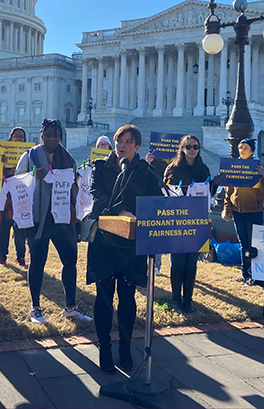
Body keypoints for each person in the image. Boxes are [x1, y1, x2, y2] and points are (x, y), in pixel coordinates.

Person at [86, 124, 163, 374]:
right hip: (106, 243)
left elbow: (156, 202)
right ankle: (105, 348)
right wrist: (119, 211)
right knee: (105, 298)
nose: (122, 145)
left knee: (127, 299)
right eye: (119, 140)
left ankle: (126, 347)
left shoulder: (146, 171)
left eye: (128, 141)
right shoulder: (101, 167)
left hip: (131, 245)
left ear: (137, 146)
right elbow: (97, 196)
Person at [16, 119, 91, 324]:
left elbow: (76, 183)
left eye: (55, 135)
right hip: (39, 218)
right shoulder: (30, 155)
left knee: (70, 261)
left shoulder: (66, 156)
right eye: (48, 135)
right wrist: (33, 175)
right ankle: (35, 308)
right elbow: (17, 181)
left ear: (60, 137)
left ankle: (71, 307)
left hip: (62, 217)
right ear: (41, 134)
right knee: (38, 261)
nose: (51, 139)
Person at [163, 135, 210, 313]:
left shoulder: (203, 169)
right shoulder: (173, 169)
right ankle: (176, 298)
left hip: (196, 221)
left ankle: (188, 299)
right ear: (182, 148)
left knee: (191, 261)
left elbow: (207, 194)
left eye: (195, 147)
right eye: (188, 146)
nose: (192, 150)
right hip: (176, 220)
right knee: (177, 261)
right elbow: (164, 191)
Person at [222, 138, 264, 285]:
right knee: (243, 243)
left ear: (252, 151)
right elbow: (229, 190)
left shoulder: (257, 166)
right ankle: (245, 274)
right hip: (238, 211)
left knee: (254, 244)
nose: (242, 150)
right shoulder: (234, 166)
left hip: (254, 211)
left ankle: (257, 275)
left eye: (246, 148)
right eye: (240, 147)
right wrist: (227, 208)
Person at [0, 127, 31, 267]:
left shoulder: (28, 155)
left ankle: (21, 256)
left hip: (21, 195)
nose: (18, 139)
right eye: (16, 136)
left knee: (20, 228)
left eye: (21, 137)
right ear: (10, 138)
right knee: (4, 228)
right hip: (7, 196)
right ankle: (2, 256)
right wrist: (5, 167)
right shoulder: (3, 154)